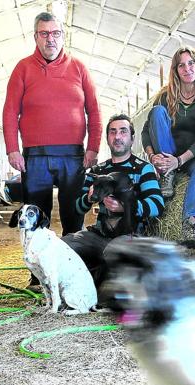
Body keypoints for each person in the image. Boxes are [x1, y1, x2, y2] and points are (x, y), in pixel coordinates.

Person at [2, 11, 102, 289]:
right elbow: (10, 112)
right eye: (44, 33)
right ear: (35, 36)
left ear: (63, 35)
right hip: (35, 156)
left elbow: (93, 110)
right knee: (35, 216)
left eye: (55, 33)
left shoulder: (79, 68)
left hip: (73, 155)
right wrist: (13, 149)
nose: (50, 39)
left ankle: (72, 271)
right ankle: (37, 275)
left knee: (74, 216)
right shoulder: (22, 68)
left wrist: (93, 147)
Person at [62, 114, 165, 290]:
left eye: (123, 132)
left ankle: (105, 284)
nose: (117, 137)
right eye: (113, 132)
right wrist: (88, 198)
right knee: (63, 247)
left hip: (130, 235)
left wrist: (125, 207)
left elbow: (157, 205)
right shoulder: (98, 170)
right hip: (100, 234)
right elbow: (77, 208)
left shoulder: (143, 168)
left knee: (113, 255)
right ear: (108, 139)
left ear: (132, 138)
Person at [142, 46, 195, 250]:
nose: (187, 69)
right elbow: (145, 132)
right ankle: (167, 174)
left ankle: (192, 225)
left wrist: (179, 161)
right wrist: (152, 157)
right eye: (181, 65)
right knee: (157, 112)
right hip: (166, 152)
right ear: (175, 71)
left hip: (192, 155)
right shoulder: (164, 96)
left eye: (191, 63)